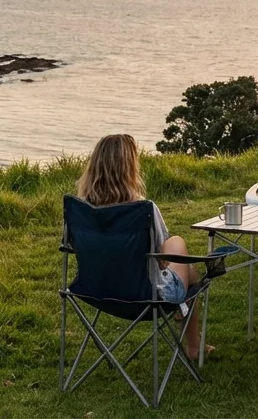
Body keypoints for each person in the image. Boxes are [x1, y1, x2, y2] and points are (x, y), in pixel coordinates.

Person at [76, 133, 211, 359]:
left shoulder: (79, 210)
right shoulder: (142, 209)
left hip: (94, 290)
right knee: (178, 248)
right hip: (143, 296)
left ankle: (192, 339)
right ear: (129, 168)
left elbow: (72, 246)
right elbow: (161, 256)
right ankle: (193, 345)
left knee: (187, 268)